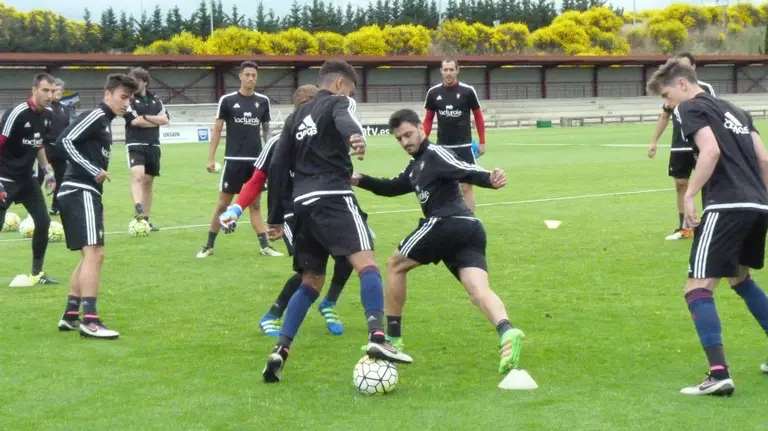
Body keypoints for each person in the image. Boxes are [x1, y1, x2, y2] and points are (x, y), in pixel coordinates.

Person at [262, 60, 412, 383]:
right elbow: (345, 117)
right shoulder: (338, 101)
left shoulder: (294, 117)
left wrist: (274, 217)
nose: (351, 96)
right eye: (352, 90)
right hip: (333, 196)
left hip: (301, 206)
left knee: (310, 283)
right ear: (341, 85)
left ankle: (280, 349)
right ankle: (377, 338)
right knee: (367, 263)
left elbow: (276, 166)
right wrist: (356, 136)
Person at [351, 108, 525, 373]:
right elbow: (392, 187)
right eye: (400, 139)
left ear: (422, 128)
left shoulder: (434, 154)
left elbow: (464, 169)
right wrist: (359, 179)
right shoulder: (415, 166)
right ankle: (507, 332)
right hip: (468, 230)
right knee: (478, 291)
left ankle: (392, 339)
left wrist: (489, 179)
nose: (406, 142)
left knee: (395, 264)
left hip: (448, 222)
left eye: (409, 134)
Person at [647, 58, 768, 396]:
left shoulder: (691, 109)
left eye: (668, 95)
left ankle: (718, 374)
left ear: (683, 84)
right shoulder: (737, 110)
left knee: (696, 288)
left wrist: (691, 197)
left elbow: (710, 151)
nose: (669, 105)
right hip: (758, 204)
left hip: (726, 205)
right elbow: (764, 159)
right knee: (740, 279)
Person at [219, 84, 353, 336]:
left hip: (326, 207)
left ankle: (329, 303)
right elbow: (257, 179)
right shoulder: (278, 141)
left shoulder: (327, 137)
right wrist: (236, 209)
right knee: (309, 270)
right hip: (294, 213)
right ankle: (272, 315)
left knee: (352, 252)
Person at [54, 74, 139, 339]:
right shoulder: (96, 116)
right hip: (80, 189)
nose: (126, 103)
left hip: (84, 192)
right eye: (123, 97)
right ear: (108, 95)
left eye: (130, 98)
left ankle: (70, 314)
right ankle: (90, 320)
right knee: (95, 254)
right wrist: (94, 170)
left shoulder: (105, 122)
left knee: (90, 255)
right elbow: (64, 141)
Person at [197, 60, 282, 258]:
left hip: (257, 161)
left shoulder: (263, 101)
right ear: (240, 76)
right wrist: (211, 158)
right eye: (248, 75)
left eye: (254, 75)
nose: (251, 79)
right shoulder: (227, 100)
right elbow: (217, 128)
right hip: (233, 160)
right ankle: (208, 245)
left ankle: (265, 246)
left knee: (255, 205)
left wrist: (272, 155)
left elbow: (267, 130)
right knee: (223, 205)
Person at [648, 53, 716, 241]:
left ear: (693, 68)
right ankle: (684, 227)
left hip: (701, 142)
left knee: (707, 182)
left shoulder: (706, 90)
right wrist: (654, 141)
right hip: (679, 143)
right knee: (680, 183)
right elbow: (664, 115)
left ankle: (708, 223)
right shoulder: (672, 93)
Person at [0, 73, 58, 284]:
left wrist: (48, 171)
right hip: (4, 177)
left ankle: (37, 273)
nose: (49, 95)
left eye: (52, 91)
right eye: (45, 90)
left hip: (27, 179)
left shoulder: (48, 115)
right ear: (33, 90)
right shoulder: (16, 113)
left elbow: (38, 144)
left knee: (43, 222)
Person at [423, 58, 486, 212]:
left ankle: (471, 221)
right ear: (441, 71)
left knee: (466, 186)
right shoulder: (433, 93)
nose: (448, 73)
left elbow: (478, 116)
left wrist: (482, 141)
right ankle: (445, 218)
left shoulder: (468, 91)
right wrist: (422, 141)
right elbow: (428, 119)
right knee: (443, 187)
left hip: (464, 147)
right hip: (443, 148)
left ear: (457, 70)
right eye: (445, 69)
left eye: (451, 69)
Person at [124, 67, 169, 231]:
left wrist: (144, 117)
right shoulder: (128, 99)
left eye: (136, 81)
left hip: (153, 144)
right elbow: (133, 122)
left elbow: (165, 119)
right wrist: (154, 120)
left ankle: (146, 219)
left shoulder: (156, 99)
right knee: (137, 175)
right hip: (135, 143)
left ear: (145, 82)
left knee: (149, 182)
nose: (133, 84)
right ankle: (138, 207)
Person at [43, 78, 71, 216]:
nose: (59, 92)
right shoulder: (45, 107)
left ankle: (56, 206)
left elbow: (67, 128)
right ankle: (37, 206)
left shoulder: (65, 109)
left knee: (61, 177)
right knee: (40, 177)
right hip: (45, 148)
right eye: (56, 90)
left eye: (61, 90)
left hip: (60, 149)